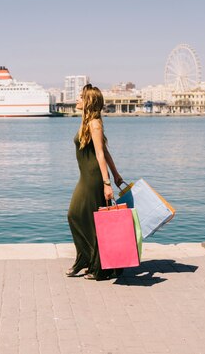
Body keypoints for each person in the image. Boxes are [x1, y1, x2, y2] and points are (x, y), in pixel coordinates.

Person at [66, 84, 124, 280]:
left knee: (78, 216)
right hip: (86, 176)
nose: (77, 100)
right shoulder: (87, 122)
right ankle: (88, 260)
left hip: (93, 178)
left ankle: (97, 266)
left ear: (89, 101)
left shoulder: (94, 124)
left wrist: (107, 183)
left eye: (81, 97)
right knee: (79, 217)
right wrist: (117, 175)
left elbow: (100, 154)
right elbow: (106, 151)